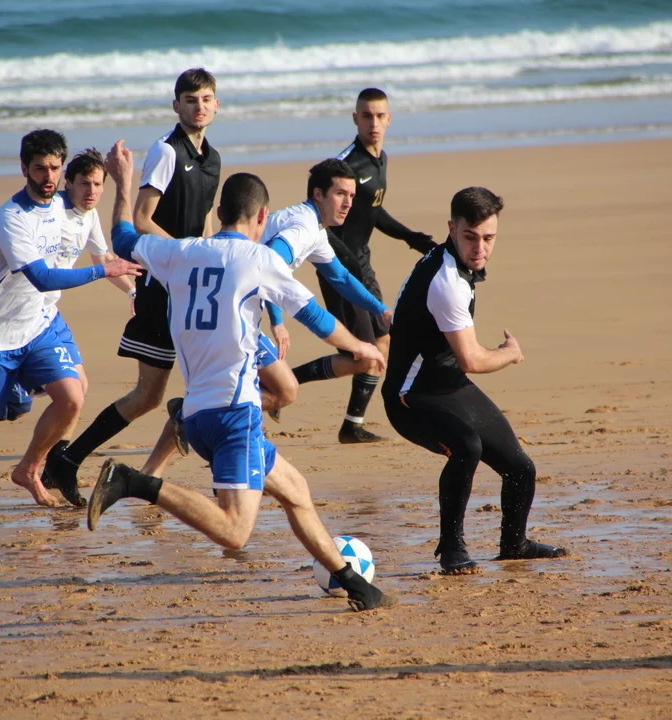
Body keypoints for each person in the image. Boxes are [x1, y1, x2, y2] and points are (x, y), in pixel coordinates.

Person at [87, 140, 392, 611]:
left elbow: (124, 239)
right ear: (262, 216)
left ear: (219, 212)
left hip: (200, 410)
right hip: (234, 412)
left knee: (296, 492)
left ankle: (357, 586)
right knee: (234, 531)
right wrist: (361, 346)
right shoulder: (260, 259)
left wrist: (124, 187)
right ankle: (131, 481)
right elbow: (316, 317)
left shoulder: (181, 252)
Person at [0, 131, 141, 526]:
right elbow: (42, 278)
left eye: (55, 168)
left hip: (40, 324)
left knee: (73, 396)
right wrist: (103, 271)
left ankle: (31, 468)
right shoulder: (11, 217)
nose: (49, 176)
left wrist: (131, 288)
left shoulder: (66, 205)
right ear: (24, 168)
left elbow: (90, 221)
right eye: (40, 168)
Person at [138, 158, 394, 479]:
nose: (348, 203)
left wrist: (379, 308)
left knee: (279, 391)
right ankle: (196, 422)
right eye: (341, 194)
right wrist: (278, 320)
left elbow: (340, 277)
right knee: (279, 391)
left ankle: (159, 460)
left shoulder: (314, 229)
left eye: (352, 196)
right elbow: (270, 262)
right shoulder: (303, 228)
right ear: (318, 194)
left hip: (233, 303)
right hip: (235, 311)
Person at [42, 68, 222, 493]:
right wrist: (186, 255)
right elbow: (142, 218)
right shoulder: (166, 151)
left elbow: (204, 221)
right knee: (149, 395)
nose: (199, 107)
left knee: (204, 383)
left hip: (193, 287)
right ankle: (67, 460)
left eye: (206, 99)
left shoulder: (213, 159)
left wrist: (211, 259)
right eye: (190, 100)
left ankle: (156, 469)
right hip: (162, 287)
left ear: (216, 105)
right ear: (176, 105)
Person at [381, 186, 568, 573]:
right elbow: (471, 359)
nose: (480, 248)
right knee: (467, 445)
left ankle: (515, 544)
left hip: (447, 384)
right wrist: (509, 353)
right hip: (410, 397)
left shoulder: (457, 263)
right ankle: (452, 549)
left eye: (488, 238)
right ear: (452, 229)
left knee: (520, 469)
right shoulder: (447, 281)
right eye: (470, 237)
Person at [292, 87, 436, 445]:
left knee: (383, 343)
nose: (374, 123)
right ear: (355, 119)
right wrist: (347, 264)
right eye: (367, 116)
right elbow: (318, 218)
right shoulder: (347, 166)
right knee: (362, 356)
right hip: (340, 273)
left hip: (362, 267)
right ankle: (285, 380)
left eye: (380, 116)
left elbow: (373, 209)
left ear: (389, 119)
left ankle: (352, 425)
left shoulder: (379, 160)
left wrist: (409, 236)